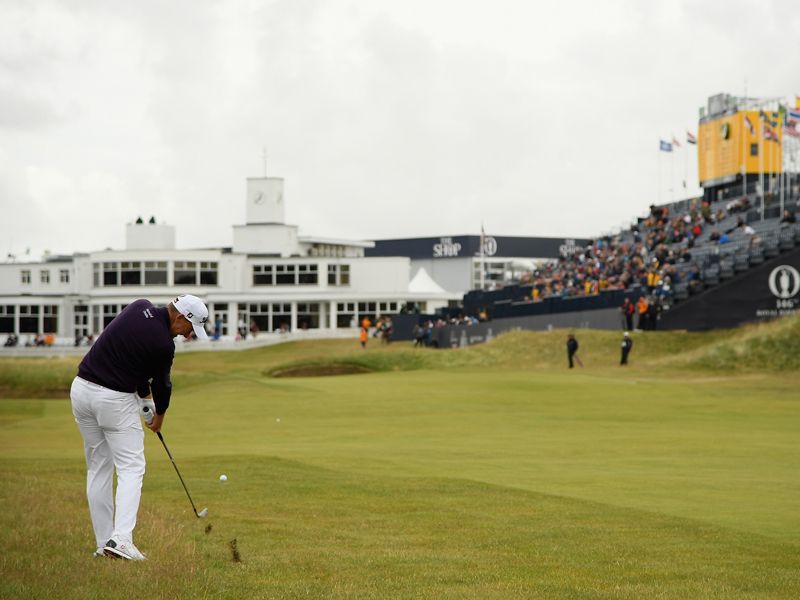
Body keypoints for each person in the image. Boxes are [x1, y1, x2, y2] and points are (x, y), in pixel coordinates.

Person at [70, 294, 208, 561]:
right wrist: (159, 418)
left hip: (81, 390)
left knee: (99, 466)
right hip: (112, 398)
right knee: (132, 467)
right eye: (189, 329)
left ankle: (103, 544)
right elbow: (162, 384)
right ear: (180, 317)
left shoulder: (138, 306)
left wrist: (145, 400)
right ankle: (121, 540)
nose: (188, 336)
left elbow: (134, 359)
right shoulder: (163, 345)